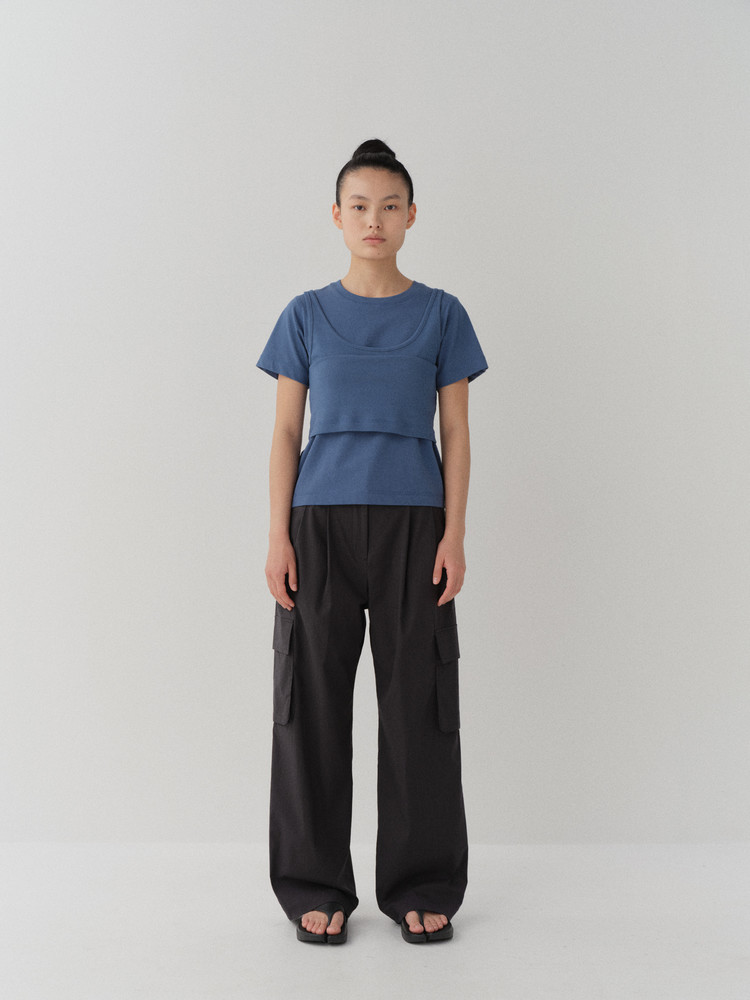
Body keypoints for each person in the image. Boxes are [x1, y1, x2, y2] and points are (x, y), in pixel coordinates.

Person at [257, 139, 488, 945]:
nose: (374, 220)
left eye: (390, 206)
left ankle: (422, 882)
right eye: (359, 205)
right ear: (336, 215)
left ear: (411, 215)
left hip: (415, 528)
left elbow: (456, 433)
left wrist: (455, 533)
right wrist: (278, 535)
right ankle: (314, 884)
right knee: (311, 709)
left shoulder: (443, 314)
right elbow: (285, 433)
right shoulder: (304, 315)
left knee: (419, 708)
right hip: (318, 527)